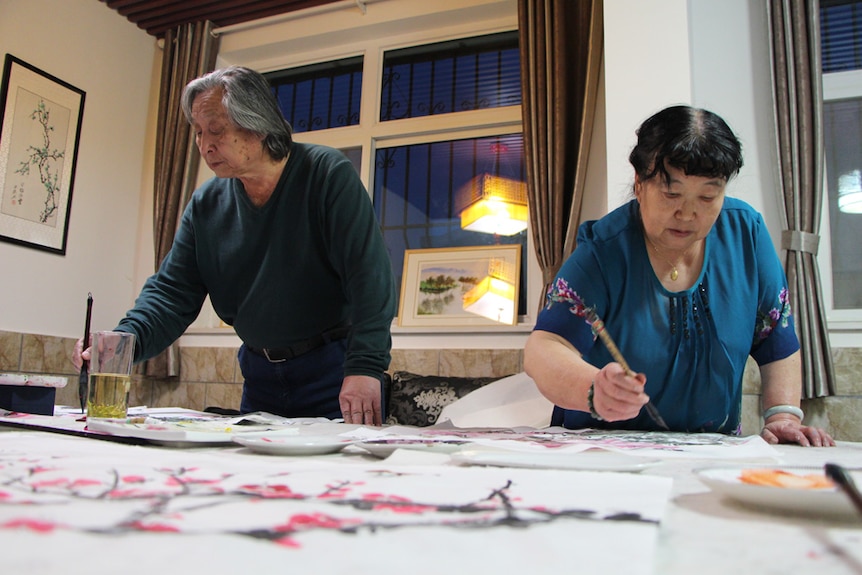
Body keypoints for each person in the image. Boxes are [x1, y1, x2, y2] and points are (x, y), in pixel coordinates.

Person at [73, 66, 396, 426]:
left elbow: (369, 278)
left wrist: (366, 367)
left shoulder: (326, 174)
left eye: (216, 130)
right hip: (260, 376)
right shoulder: (206, 204)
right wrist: (120, 343)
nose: (204, 145)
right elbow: (171, 295)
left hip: (333, 372)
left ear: (257, 123)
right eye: (197, 132)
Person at [524, 105, 834, 447]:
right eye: (671, 193)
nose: (687, 213)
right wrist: (594, 387)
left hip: (710, 451)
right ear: (639, 184)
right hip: (603, 450)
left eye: (707, 196)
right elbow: (545, 348)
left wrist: (782, 416)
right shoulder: (605, 250)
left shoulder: (745, 234)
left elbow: (776, 342)